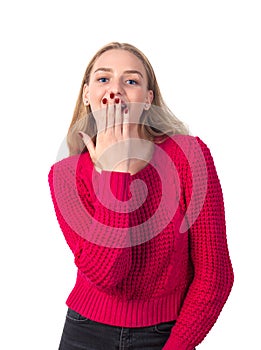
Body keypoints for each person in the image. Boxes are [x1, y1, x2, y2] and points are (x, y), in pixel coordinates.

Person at [48, 42, 234, 350]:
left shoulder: (190, 157)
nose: (115, 89)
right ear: (86, 95)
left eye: (131, 81)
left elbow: (215, 275)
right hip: (85, 332)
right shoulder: (65, 176)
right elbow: (108, 274)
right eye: (103, 78)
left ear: (148, 100)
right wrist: (115, 175)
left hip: (166, 334)